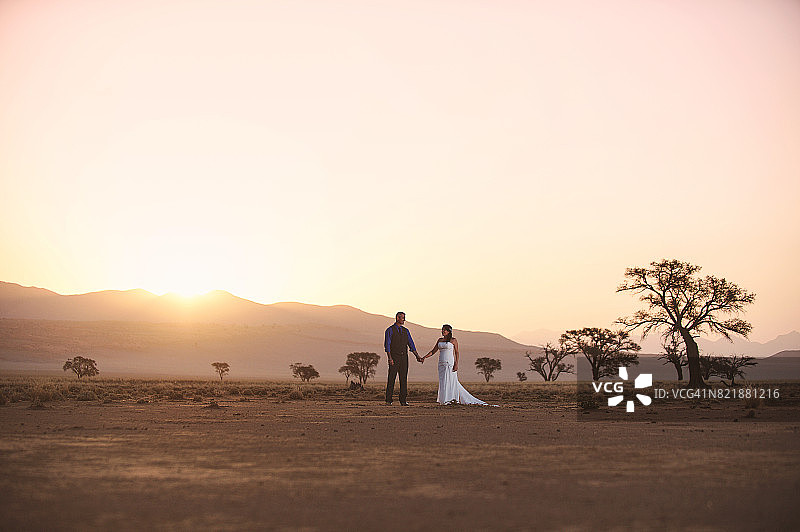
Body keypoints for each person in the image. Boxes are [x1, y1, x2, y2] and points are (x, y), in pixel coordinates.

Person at [422, 324, 493, 405]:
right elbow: (433, 351)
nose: (443, 331)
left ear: (449, 331)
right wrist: (424, 357)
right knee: (443, 381)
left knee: (450, 380)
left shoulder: (453, 340)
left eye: (444, 330)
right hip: (441, 363)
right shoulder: (440, 340)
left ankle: (451, 399)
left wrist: (456, 364)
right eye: (442, 329)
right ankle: (443, 399)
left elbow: (456, 352)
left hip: (449, 363)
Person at [384, 311, 422, 406]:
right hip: (394, 357)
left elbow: (411, 344)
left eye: (404, 318)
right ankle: (388, 400)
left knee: (403, 378)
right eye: (402, 318)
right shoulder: (390, 330)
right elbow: (387, 345)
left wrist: (417, 356)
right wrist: (390, 358)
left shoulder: (406, 331)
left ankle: (403, 400)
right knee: (391, 378)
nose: (404, 320)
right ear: (398, 318)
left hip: (404, 357)